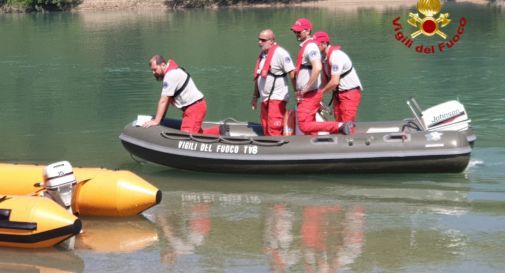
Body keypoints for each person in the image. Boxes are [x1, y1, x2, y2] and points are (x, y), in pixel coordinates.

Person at [290, 18, 353, 135]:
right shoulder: (305, 47)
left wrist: (306, 88)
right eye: (295, 31)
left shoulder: (311, 47)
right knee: (309, 123)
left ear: (308, 31)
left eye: (299, 31)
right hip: (306, 93)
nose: (296, 34)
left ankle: (339, 126)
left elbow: (317, 67)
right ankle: (317, 145)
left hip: (309, 93)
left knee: (304, 125)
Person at [143, 54, 219, 135]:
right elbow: (167, 100)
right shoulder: (172, 72)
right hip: (195, 107)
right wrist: (161, 118)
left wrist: (156, 121)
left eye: (155, 69)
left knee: (186, 137)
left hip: (194, 109)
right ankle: (220, 130)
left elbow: (163, 101)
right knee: (199, 133)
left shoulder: (170, 76)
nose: (153, 73)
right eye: (152, 70)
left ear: (163, 65)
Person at [252, 29, 296, 136]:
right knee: (265, 126)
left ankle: (278, 149)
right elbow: (259, 77)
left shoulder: (281, 53)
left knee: (274, 127)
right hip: (264, 98)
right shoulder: (263, 55)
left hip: (277, 98)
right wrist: (255, 97)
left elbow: (292, 72)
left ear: (271, 41)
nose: (259, 42)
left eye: (263, 40)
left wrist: (297, 92)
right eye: (259, 40)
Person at [314, 31, 363, 123]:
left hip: (350, 93)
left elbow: (334, 81)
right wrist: (317, 97)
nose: (313, 48)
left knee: (347, 124)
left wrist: (320, 93)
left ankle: (350, 137)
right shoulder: (323, 58)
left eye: (316, 45)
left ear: (324, 43)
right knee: (338, 124)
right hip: (338, 94)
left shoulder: (336, 56)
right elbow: (324, 82)